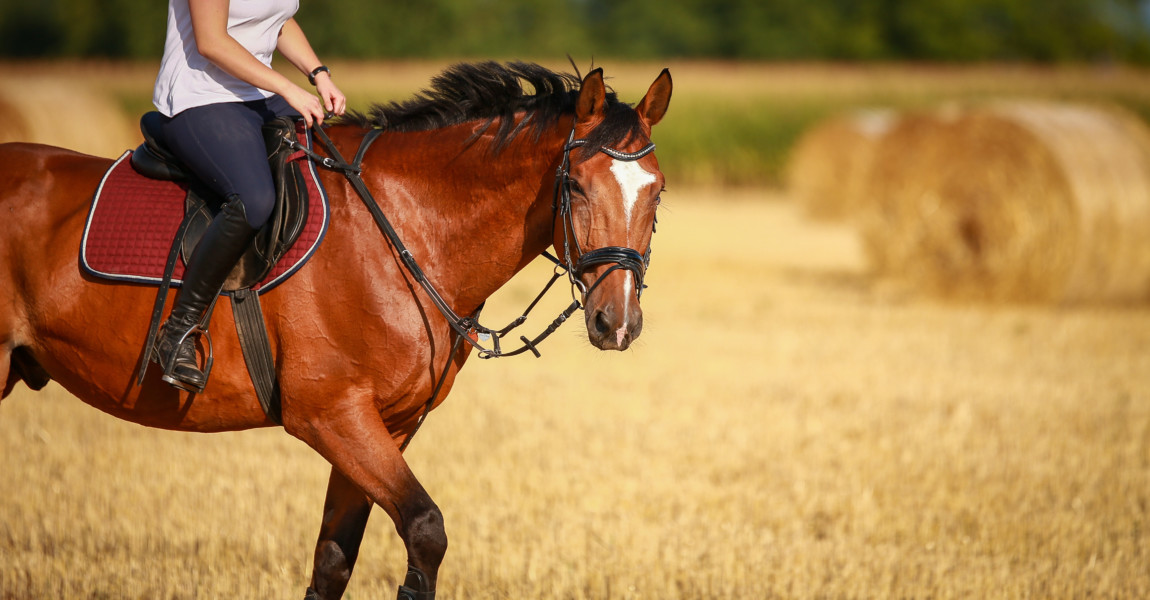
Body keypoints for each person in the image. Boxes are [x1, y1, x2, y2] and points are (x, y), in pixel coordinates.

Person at [150, 0, 346, 392]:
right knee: (254, 199)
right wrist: (288, 88)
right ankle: (178, 330)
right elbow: (211, 42)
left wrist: (318, 73)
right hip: (199, 96)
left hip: (256, 94)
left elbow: (278, 18)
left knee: (336, 157)